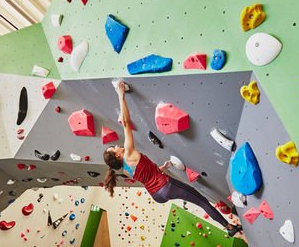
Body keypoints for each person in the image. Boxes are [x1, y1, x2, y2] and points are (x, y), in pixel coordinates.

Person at [103, 81, 243, 237]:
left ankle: (229, 225)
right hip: (166, 186)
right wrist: (121, 95)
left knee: (200, 200)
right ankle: (229, 226)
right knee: (202, 201)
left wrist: (160, 169)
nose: (116, 146)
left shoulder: (126, 170)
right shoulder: (128, 153)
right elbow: (126, 122)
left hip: (157, 194)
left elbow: (146, 176)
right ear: (117, 155)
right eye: (113, 148)